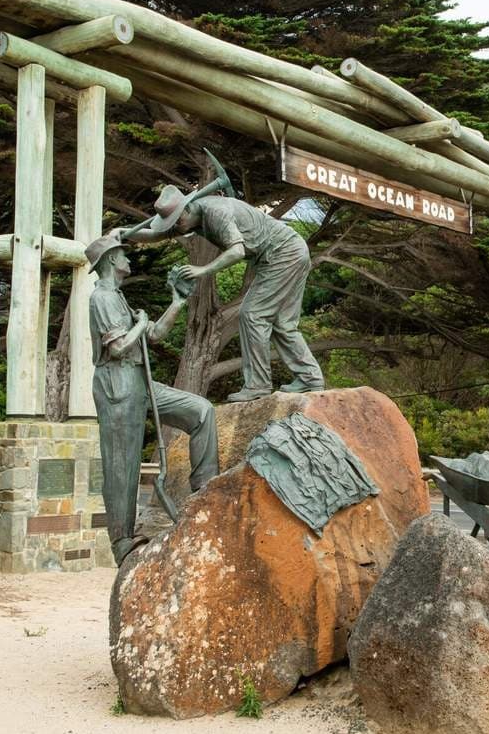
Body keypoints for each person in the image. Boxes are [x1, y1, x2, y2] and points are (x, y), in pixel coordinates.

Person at [117, 182, 324, 402]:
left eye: (177, 221)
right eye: (172, 223)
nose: (176, 226)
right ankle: (310, 379)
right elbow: (157, 235)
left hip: (283, 254)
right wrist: (124, 233)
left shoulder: (215, 213)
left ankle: (258, 385)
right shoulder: (190, 218)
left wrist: (203, 269)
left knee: (253, 315)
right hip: (287, 253)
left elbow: (237, 250)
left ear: (186, 209)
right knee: (283, 324)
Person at [84, 235, 219, 565]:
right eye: (122, 256)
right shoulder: (101, 298)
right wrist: (141, 324)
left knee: (201, 411)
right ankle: (122, 540)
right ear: (110, 261)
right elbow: (117, 348)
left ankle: (205, 490)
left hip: (140, 381)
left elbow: (154, 335)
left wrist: (176, 301)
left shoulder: (119, 298)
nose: (128, 260)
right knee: (122, 463)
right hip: (117, 383)